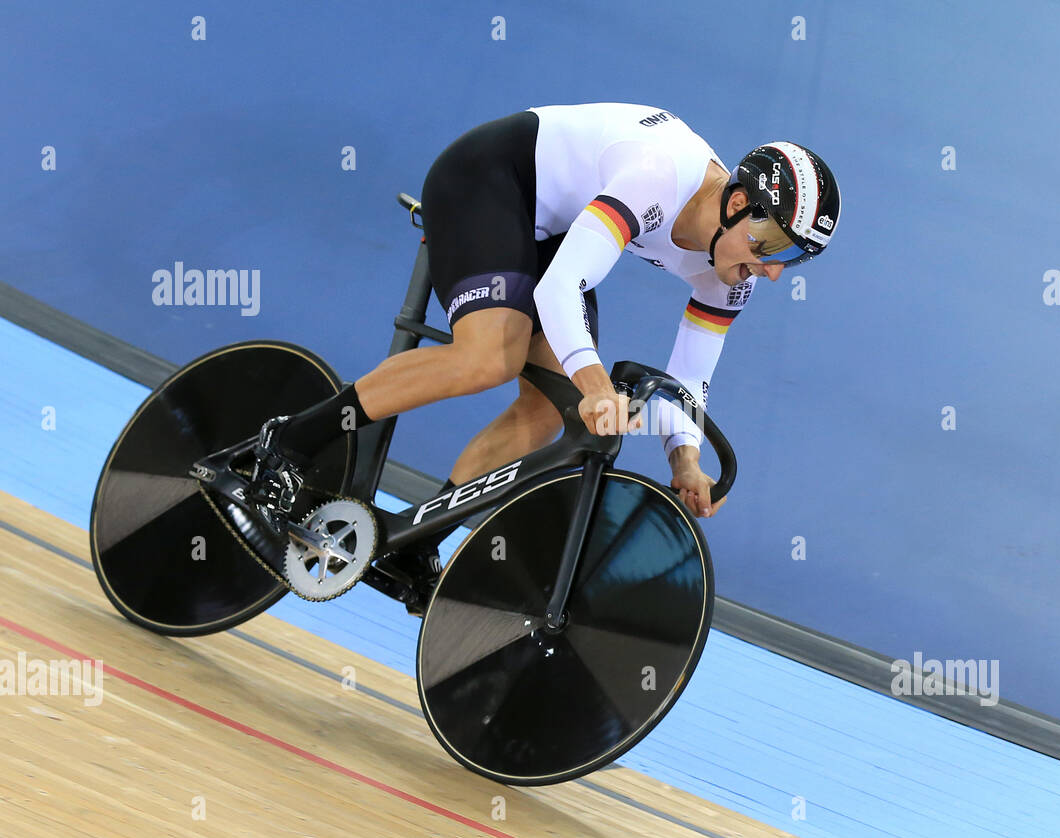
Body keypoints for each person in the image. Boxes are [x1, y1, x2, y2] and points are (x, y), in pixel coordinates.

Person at [245, 102, 840, 579]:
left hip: (554, 228)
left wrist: (685, 460)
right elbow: (562, 287)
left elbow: (688, 377)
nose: (772, 272)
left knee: (548, 412)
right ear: (738, 205)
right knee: (491, 358)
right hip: (491, 178)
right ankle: (293, 439)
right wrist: (595, 383)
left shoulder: (734, 270)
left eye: (794, 258)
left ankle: (418, 538)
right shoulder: (660, 177)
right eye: (772, 249)